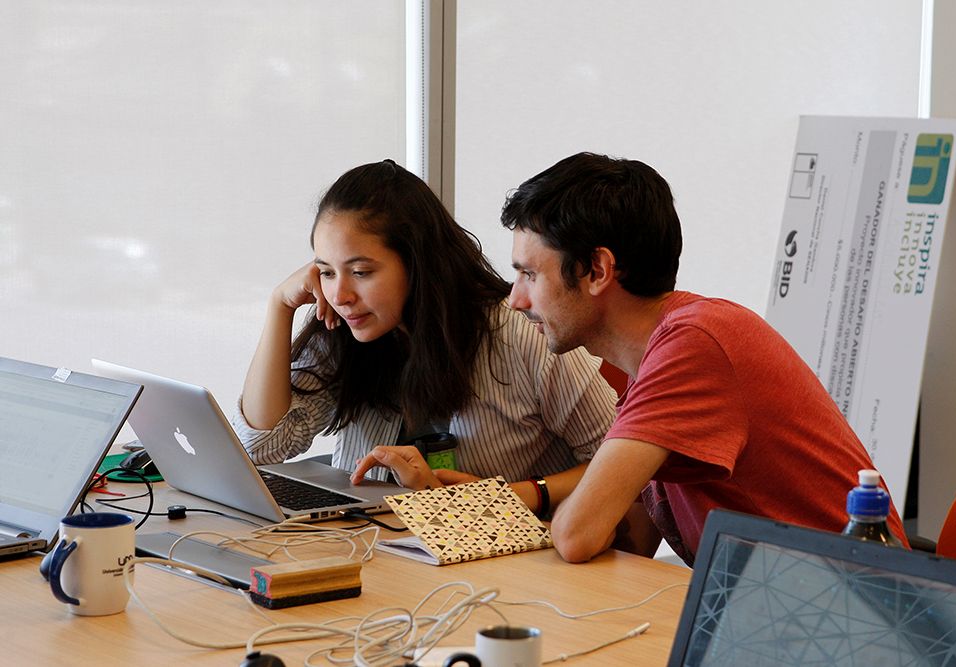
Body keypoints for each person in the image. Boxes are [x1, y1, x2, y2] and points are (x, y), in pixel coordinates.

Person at [499, 152, 908, 565]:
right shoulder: (663, 353)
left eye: (530, 275)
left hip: (852, 607)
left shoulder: (694, 345)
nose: (516, 301)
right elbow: (632, 538)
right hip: (785, 600)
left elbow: (576, 537)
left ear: (598, 270)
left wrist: (517, 515)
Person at [232, 159, 616, 515]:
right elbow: (263, 447)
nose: (341, 295)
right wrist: (279, 307)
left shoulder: (519, 331)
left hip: (505, 563)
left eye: (361, 272)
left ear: (417, 263)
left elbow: (619, 459)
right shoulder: (342, 326)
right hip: (380, 549)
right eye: (327, 272)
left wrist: (526, 492)